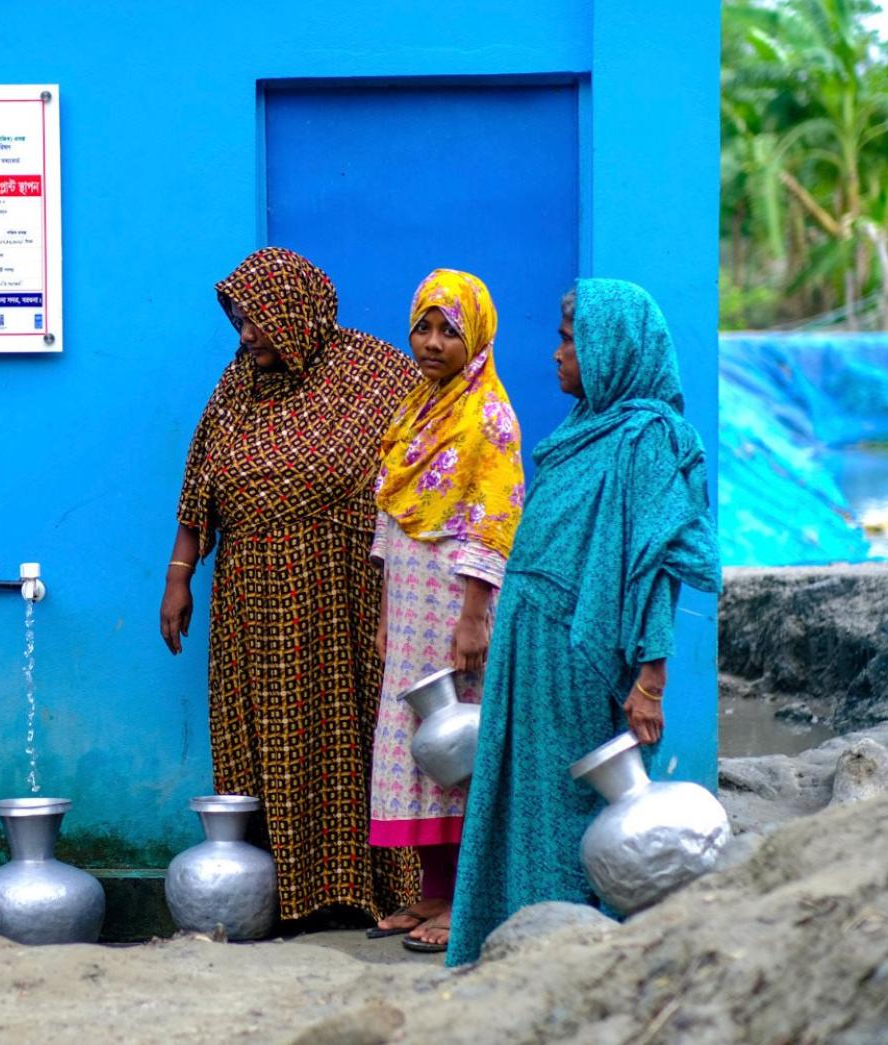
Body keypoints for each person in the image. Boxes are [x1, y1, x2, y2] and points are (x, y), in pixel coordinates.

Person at [446, 278, 718, 965]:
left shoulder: (651, 438)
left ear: (612, 350)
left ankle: (571, 953)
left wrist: (650, 680)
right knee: (522, 797)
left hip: (580, 650)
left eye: (570, 341)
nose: (558, 355)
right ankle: (515, 940)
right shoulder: (580, 431)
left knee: (569, 801)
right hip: (529, 643)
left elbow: (656, 565)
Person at [160, 247, 420, 924]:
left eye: (258, 318)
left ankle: (372, 890)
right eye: (239, 319)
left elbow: (423, 482)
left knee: (353, 736)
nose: (245, 333)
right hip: (254, 602)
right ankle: (272, 897)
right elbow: (200, 488)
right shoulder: (236, 386)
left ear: (296, 311)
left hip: (347, 599)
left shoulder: (377, 374)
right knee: (263, 743)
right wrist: (178, 576)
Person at [365, 269, 525, 952]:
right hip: (409, 604)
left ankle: (463, 900)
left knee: (458, 745)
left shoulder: (487, 417)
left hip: (456, 603)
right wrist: (382, 614)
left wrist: (474, 617)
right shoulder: (416, 410)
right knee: (417, 747)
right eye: (423, 327)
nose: (431, 343)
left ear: (477, 336)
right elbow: (391, 513)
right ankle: (429, 891)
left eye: (448, 330)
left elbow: (493, 523)